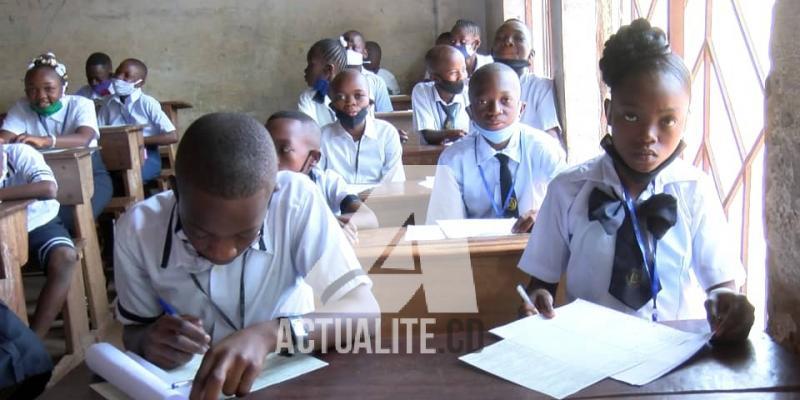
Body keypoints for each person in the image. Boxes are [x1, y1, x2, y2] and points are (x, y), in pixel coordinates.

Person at [518, 19, 755, 343]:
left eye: (667, 120)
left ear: (685, 121)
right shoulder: (568, 189)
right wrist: (536, 302)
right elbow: (539, 286)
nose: (648, 136)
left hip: (672, 360)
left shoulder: (694, 191)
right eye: (631, 116)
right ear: (609, 112)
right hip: (587, 355)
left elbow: (721, 285)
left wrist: (725, 304)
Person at [114, 112, 379, 399]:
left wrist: (272, 335)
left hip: (291, 377)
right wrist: (149, 342)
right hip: (195, 385)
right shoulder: (138, 229)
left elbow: (366, 311)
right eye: (201, 233)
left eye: (244, 234)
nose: (223, 251)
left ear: (272, 195)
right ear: (176, 192)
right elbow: (134, 330)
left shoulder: (296, 200)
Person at [426, 63, 565, 233]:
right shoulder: (453, 160)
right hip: (477, 251)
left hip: (535, 245)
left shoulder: (545, 149)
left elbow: (571, 203)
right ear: (470, 112)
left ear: (521, 109)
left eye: (505, 100)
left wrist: (544, 215)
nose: (495, 110)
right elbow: (445, 225)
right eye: (483, 101)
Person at [0, 52, 113, 224]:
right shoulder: (22, 107)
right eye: (32, 89)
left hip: (89, 176)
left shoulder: (81, 104)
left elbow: (84, 138)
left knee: (68, 220)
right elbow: (4, 138)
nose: (40, 96)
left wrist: (45, 141)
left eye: (49, 88)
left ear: (63, 87)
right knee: (28, 220)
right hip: (41, 180)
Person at [0, 143, 78, 337]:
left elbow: (49, 188)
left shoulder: (18, 153)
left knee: (65, 258)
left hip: (38, 224)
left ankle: (34, 341)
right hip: (2, 234)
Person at [266, 110, 378, 243]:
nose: (272, 159)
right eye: (266, 149)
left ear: (313, 159)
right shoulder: (257, 187)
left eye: (284, 150)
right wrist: (321, 225)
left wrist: (330, 225)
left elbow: (369, 218)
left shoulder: (326, 182)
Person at [97, 58, 177, 183]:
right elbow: (98, 133)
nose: (119, 78)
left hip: (146, 153)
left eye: (126, 76)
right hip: (115, 154)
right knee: (102, 178)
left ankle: (139, 198)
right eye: (118, 72)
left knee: (131, 177)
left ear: (139, 83)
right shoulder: (108, 103)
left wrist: (136, 141)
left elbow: (172, 136)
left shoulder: (147, 103)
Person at [320, 69, 405, 184]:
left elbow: (394, 183)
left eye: (358, 95)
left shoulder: (387, 134)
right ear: (332, 105)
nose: (350, 102)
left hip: (379, 200)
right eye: (341, 97)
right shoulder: (322, 137)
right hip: (337, 201)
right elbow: (318, 182)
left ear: (370, 103)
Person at [492, 19, 561, 142]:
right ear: (492, 51)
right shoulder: (480, 86)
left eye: (518, 38)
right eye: (501, 38)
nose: (508, 42)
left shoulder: (540, 87)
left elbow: (552, 139)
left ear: (531, 56)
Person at [412, 45, 470, 145]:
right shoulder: (422, 91)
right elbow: (428, 135)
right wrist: (452, 134)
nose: (461, 76)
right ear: (435, 78)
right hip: (432, 156)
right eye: (453, 73)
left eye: (464, 69)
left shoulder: (469, 93)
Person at [298, 38, 349, 127]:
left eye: (310, 65)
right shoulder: (308, 97)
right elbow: (307, 132)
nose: (306, 70)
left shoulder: (352, 98)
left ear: (328, 70)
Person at [341, 30, 394, 112]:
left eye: (354, 48)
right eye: (345, 48)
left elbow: (385, 114)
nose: (348, 52)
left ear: (364, 53)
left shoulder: (376, 81)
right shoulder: (334, 79)